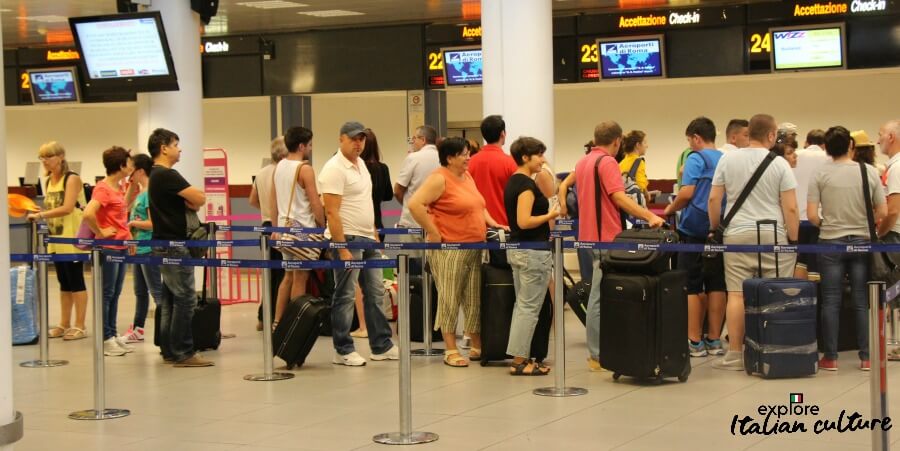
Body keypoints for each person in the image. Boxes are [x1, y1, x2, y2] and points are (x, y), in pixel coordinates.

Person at [557, 121, 665, 371]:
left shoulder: (582, 162)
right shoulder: (607, 163)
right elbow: (618, 197)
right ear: (617, 141)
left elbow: (564, 185)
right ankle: (598, 353)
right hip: (606, 238)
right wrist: (649, 216)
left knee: (598, 294)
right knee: (600, 296)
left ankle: (599, 351)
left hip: (588, 237)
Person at [708, 114, 799, 371]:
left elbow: (715, 200)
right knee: (776, 291)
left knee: (736, 293)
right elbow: (790, 208)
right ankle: (775, 348)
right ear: (771, 136)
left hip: (736, 234)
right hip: (771, 234)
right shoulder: (779, 164)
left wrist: (715, 228)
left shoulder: (728, 159)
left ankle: (736, 353)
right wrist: (793, 238)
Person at [409, 137, 505, 368]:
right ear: (450, 158)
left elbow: (478, 206)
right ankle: (450, 348)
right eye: (463, 154)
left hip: (474, 247)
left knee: (473, 298)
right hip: (449, 249)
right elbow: (415, 205)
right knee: (450, 298)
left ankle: (475, 344)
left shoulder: (467, 176)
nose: (468, 157)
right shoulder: (439, 178)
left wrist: (494, 224)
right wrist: (432, 232)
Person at [320, 121, 397, 366]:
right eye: (354, 138)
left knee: (375, 293)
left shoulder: (362, 165)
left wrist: (374, 233)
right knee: (344, 295)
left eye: (361, 138)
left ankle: (381, 345)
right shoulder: (333, 168)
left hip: (367, 237)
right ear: (341, 139)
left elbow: (365, 203)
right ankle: (342, 350)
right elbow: (331, 212)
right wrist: (341, 248)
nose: (358, 143)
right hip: (348, 239)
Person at [808, 126, 885, 372]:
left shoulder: (819, 174)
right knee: (862, 301)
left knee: (830, 300)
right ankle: (866, 357)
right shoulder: (868, 171)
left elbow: (811, 216)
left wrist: (828, 223)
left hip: (830, 241)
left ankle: (830, 357)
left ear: (827, 149)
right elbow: (882, 211)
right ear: (851, 146)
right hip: (862, 241)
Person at [148, 128, 213, 367]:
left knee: (169, 299)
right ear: (164, 148)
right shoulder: (168, 175)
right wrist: (192, 199)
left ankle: (168, 349)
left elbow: (192, 199)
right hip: (175, 244)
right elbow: (199, 198)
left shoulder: (155, 176)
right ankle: (183, 351)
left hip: (161, 243)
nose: (180, 149)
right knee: (186, 298)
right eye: (176, 144)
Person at [663, 117, 727, 358]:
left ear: (696, 137)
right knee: (717, 284)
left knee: (691, 284)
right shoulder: (725, 159)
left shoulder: (695, 158)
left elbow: (686, 193)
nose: (690, 144)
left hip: (693, 230)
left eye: (690, 140)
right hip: (719, 231)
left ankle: (694, 341)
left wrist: (670, 210)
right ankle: (714, 339)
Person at [504, 137, 558, 375]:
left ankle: (519, 357)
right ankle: (520, 360)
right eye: (538, 155)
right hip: (532, 251)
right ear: (525, 157)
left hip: (518, 250)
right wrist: (551, 214)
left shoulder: (512, 182)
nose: (542, 160)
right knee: (528, 308)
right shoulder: (526, 185)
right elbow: (524, 221)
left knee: (522, 306)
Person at [28, 142, 89, 341]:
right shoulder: (48, 182)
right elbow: (53, 207)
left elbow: (68, 207)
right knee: (63, 281)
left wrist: (42, 215)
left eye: (49, 156)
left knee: (76, 280)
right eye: (42, 157)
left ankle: (80, 325)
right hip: (56, 237)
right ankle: (63, 323)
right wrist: (39, 212)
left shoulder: (71, 179)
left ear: (61, 156)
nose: (45, 161)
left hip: (72, 237)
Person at [82, 146, 137, 356]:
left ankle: (112, 335)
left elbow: (121, 218)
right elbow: (88, 213)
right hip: (108, 248)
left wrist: (128, 238)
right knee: (106, 294)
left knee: (115, 293)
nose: (131, 166)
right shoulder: (103, 188)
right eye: (129, 163)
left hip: (121, 246)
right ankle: (105, 338)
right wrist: (101, 232)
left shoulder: (119, 187)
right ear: (121, 166)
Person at [273, 127, 325, 327]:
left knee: (287, 276)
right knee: (301, 278)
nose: (311, 149)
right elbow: (315, 203)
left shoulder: (279, 167)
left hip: (285, 228)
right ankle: (294, 322)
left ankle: (278, 321)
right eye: (310, 145)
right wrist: (322, 226)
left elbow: (274, 200)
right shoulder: (304, 169)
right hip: (303, 230)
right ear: (302, 145)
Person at [120, 153, 163, 343]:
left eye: (131, 171)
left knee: (156, 292)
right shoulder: (140, 192)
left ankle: (165, 329)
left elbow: (153, 223)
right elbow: (123, 206)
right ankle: (138, 328)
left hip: (148, 247)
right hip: (138, 248)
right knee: (139, 291)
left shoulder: (149, 194)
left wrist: (133, 224)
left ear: (140, 171)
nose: (129, 175)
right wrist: (130, 185)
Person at [249, 136, 288, 331]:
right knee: (283, 274)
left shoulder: (262, 172)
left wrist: (265, 209)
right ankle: (278, 317)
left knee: (269, 274)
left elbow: (252, 200)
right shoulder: (284, 172)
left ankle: (262, 316)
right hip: (279, 226)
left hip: (264, 225)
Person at [393, 125, 441, 272]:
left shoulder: (413, 158)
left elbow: (398, 190)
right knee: (435, 270)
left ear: (423, 139)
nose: (413, 142)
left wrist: (410, 206)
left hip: (412, 223)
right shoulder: (444, 159)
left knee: (412, 271)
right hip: (437, 224)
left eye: (414, 138)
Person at [793, 129, 829, 281]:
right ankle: (816, 300)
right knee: (816, 263)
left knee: (800, 261)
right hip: (819, 218)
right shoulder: (828, 157)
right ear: (824, 144)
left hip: (796, 219)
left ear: (806, 142)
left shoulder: (794, 156)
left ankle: (799, 298)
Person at [468, 115, 517, 226]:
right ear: (503, 134)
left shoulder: (469, 163)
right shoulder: (510, 163)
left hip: (476, 225)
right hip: (504, 226)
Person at [617, 130, 650, 204]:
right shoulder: (639, 162)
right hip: (635, 204)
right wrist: (646, 194)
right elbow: (640, 186)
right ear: (638, 145)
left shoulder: (621, 163)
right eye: (645, 142)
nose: (647, 146)